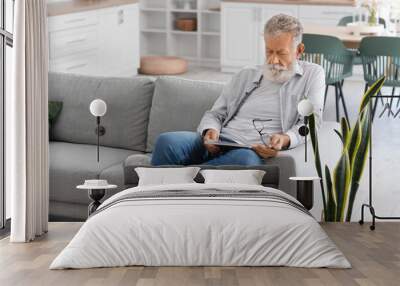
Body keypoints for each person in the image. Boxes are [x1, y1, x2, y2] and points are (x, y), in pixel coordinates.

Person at [151, 14, 325, 166]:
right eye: (269, 51)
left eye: (281, 53)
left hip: (251, 150)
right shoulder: (247, 74)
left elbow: (311, 122)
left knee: (244, 161)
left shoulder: (312, 75)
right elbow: (216, 114)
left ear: (299, 50)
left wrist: (286, 139)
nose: (273, 59)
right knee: (167, 142)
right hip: (222, 140)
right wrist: (210, 131)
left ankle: (186, 181)